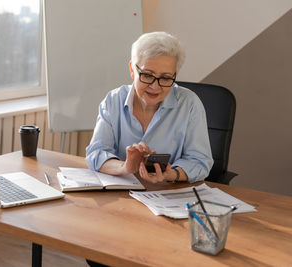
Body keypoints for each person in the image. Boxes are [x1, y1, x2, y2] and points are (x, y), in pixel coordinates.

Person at [85, 31, 213, 185]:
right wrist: (125, 167)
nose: (155, 86)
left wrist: (169, 174)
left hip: (169, 195)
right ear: (133, 70)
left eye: (165, 78)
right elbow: (96, 153)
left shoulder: (190, 104)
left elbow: (200, 161)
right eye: (147, 75)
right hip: (122, 194)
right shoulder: (113, 100)